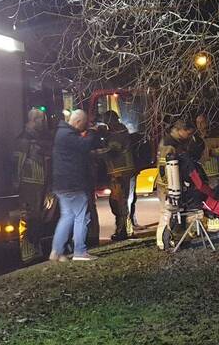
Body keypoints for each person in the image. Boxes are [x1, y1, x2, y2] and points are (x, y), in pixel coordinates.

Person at [51, 109, 102, 261]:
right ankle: (80, 251)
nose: (85, 127)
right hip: (73, 184)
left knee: (67, 216)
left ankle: (57, 251)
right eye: (84, 124)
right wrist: (92, 132)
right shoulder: (67, 135)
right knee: (83, 216)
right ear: (78, 122)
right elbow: (85, 146)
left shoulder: (62, 133)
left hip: (61, 184)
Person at [12, 108, 52, 261]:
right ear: (34, 120)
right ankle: (27, 253)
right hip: (28, 184)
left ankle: (35, 250)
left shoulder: (36, 138)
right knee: (28, 217)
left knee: (36, 218)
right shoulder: (24, 139)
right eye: (42, 120)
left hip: (38, 184)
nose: (44, 123)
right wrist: (17, 182)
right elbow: (18, 162)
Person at [155, 119, 198, 250]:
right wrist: (169, 188)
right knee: (167, 212)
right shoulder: (169, 145)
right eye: (189, 133)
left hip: (175, 184)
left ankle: (179, 239)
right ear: (181, 130)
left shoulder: (175, 142)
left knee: (178, 212)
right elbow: (164, 168)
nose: (190, 136)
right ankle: (163, 242)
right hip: (168, 186)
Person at [102, 111, 136, 241]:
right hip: (119, 172)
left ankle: (123, 231)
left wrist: (94, 152)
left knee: (120, 202)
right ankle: (124, 229)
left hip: (122, 172)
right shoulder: (118, 132)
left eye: (107, 121)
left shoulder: (119, 134)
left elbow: (112, 151)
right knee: (119, 201)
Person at [195, 114, 219, 195]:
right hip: (202, 176)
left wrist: (212, 152)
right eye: (198, 123)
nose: (200, 125)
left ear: (207, 122)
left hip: (217, 174)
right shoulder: (195, 138)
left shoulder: (216, 135)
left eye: (202, 122)